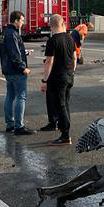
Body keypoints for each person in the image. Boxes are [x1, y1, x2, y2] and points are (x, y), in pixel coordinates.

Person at [40, 14, 77, 145]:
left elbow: (49, 61)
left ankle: (65, 135)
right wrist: (72, 70)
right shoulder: (70, 38)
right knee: (65, 104)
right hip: (68, 76)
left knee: (60, 105)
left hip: (57, 78)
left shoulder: (52, 41)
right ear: (63, 23)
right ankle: (65, 131)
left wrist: (44, 80)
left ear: (50, 26)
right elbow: (74, 57)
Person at [0, 10, 34, 135]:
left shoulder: (4, 33)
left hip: (7, 69)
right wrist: (23, 68)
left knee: (10, 96)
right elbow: (14, 54)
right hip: (16, 71)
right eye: (22, 20)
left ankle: (10, 124)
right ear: (16, 20)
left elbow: (9, 52)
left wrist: (25, 52)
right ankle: (19, 127)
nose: (22, 23)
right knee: (20, 97)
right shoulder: (12, 34)